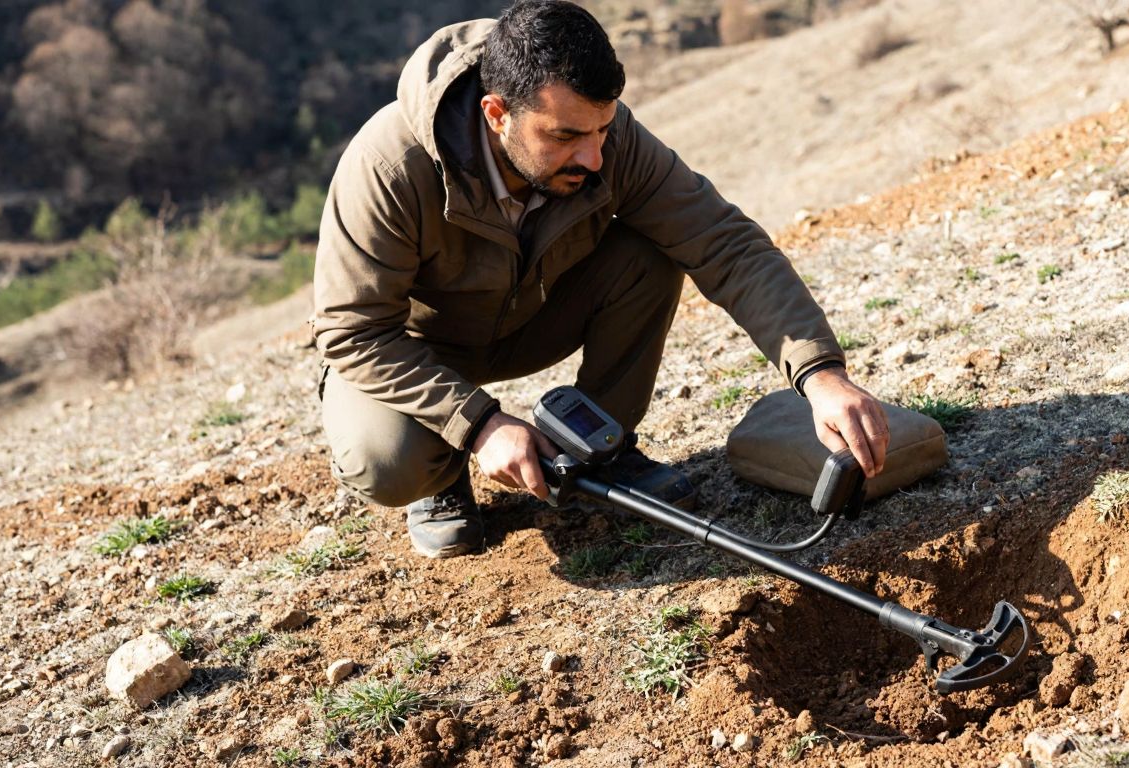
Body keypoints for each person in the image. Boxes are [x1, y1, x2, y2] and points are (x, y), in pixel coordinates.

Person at [313, 0, 889, 559]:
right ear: (496, 114)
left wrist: (821, 376)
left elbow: (723, 242)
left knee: (651, 252)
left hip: (533, 317)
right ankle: (442, 478)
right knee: (386, 461)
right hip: (418, 349)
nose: (592, 157)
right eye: (565, 136)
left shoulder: (608, 141)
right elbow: (353, 332)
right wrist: (480, 424)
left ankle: (598, 447)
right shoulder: (390, 166)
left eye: (602, 130)